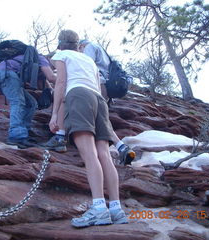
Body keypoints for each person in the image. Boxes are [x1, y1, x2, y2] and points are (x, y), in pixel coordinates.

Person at [49, 29, 128, 228]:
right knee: (104, 154)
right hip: (99, 100)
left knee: (89, 153)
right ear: (78, 45)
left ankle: (99, 209)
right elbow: (98, 84)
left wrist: (55, 113)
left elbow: (60, 82)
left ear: (60, 44)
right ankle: (116, 209)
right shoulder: (89, 60)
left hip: (78, 96)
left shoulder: (62, 55)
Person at [79, 39, 135, 165]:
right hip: (106, 89)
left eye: (80, 49)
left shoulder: (90, 47)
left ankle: (98, 147)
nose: (80, 51)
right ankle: (121, 146)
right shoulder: (101, 50)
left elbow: (86, 65)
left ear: (81, 45)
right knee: (102, 117)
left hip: (98, 85)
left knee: (94, 116)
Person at [0, 50, 56, 149]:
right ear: (51, 59)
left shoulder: (38, 62)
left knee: (31, 103)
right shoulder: (42, 59)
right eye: (56, 63)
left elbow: (44, 83)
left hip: (2, 74)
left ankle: (24, 132)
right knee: (18, 102)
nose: (56, 66)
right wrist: (70, 81)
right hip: (7, 74)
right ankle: (16, 136)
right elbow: (51, 77)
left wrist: (51, 90)